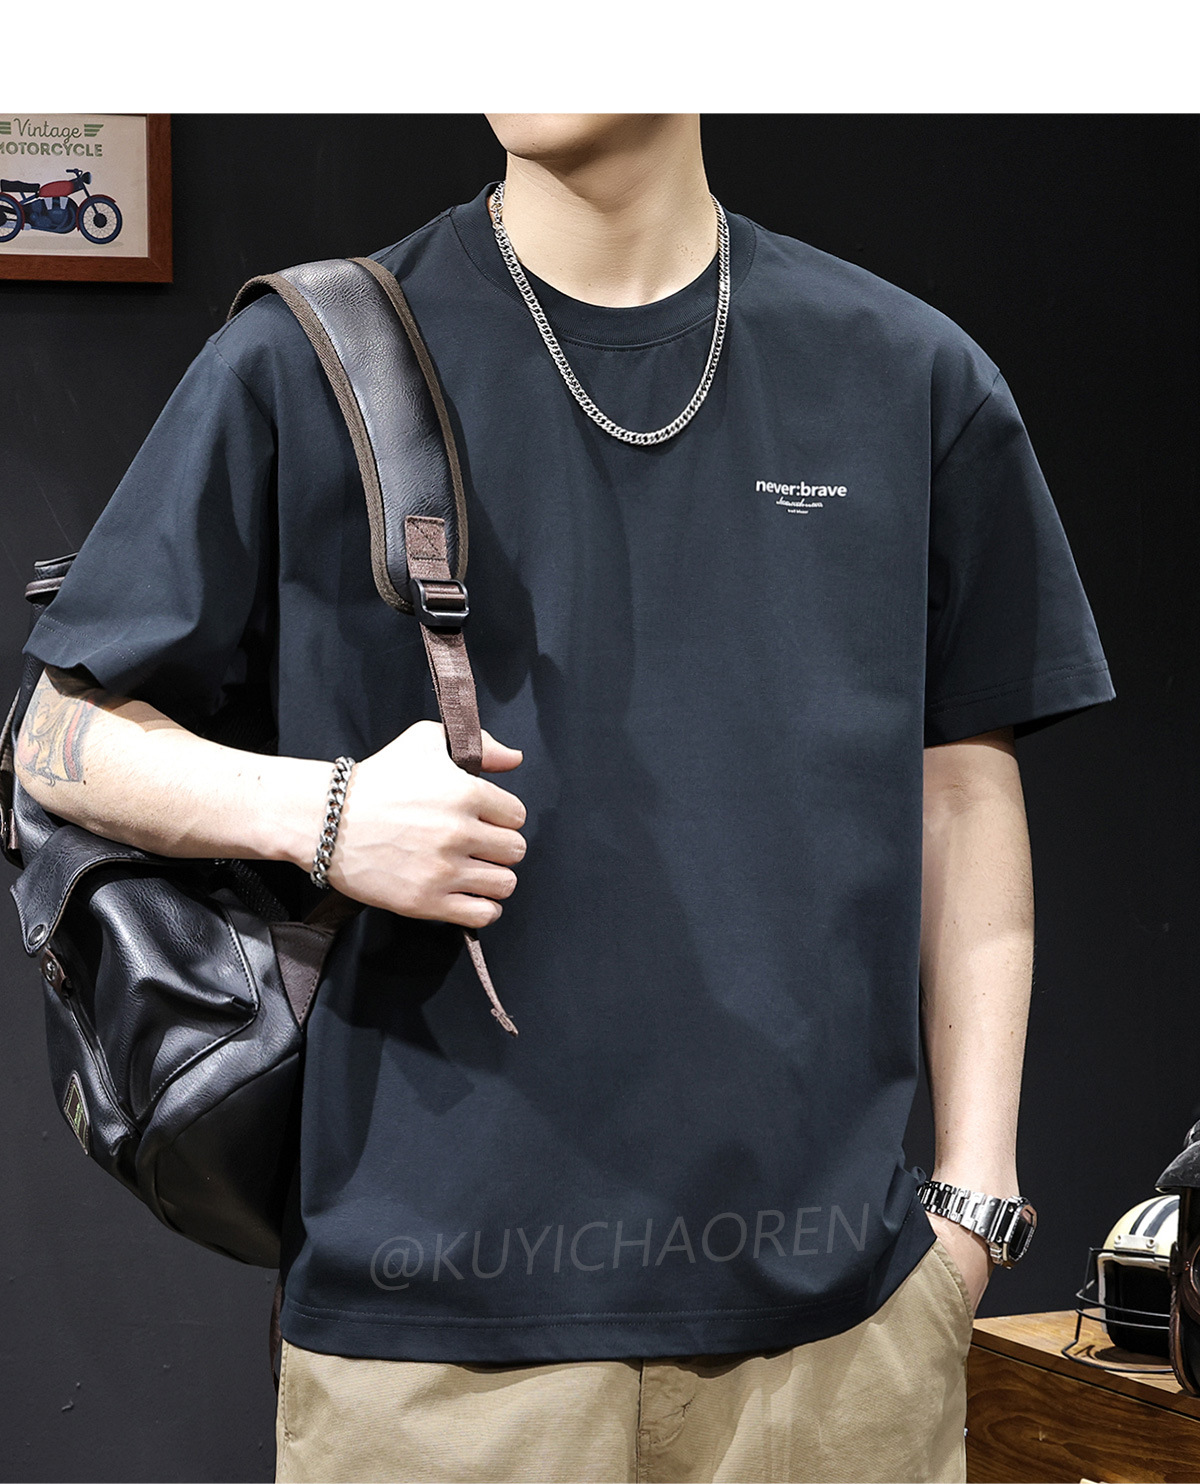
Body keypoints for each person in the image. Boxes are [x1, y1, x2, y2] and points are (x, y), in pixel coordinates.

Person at [14, 113, 1114, 1483]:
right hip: (430, 1359)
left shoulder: (910, 374)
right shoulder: (307, 358)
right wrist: (328, 814)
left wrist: (973, 1204)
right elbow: (56, 733)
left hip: (841, 1346)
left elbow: (963, 790)